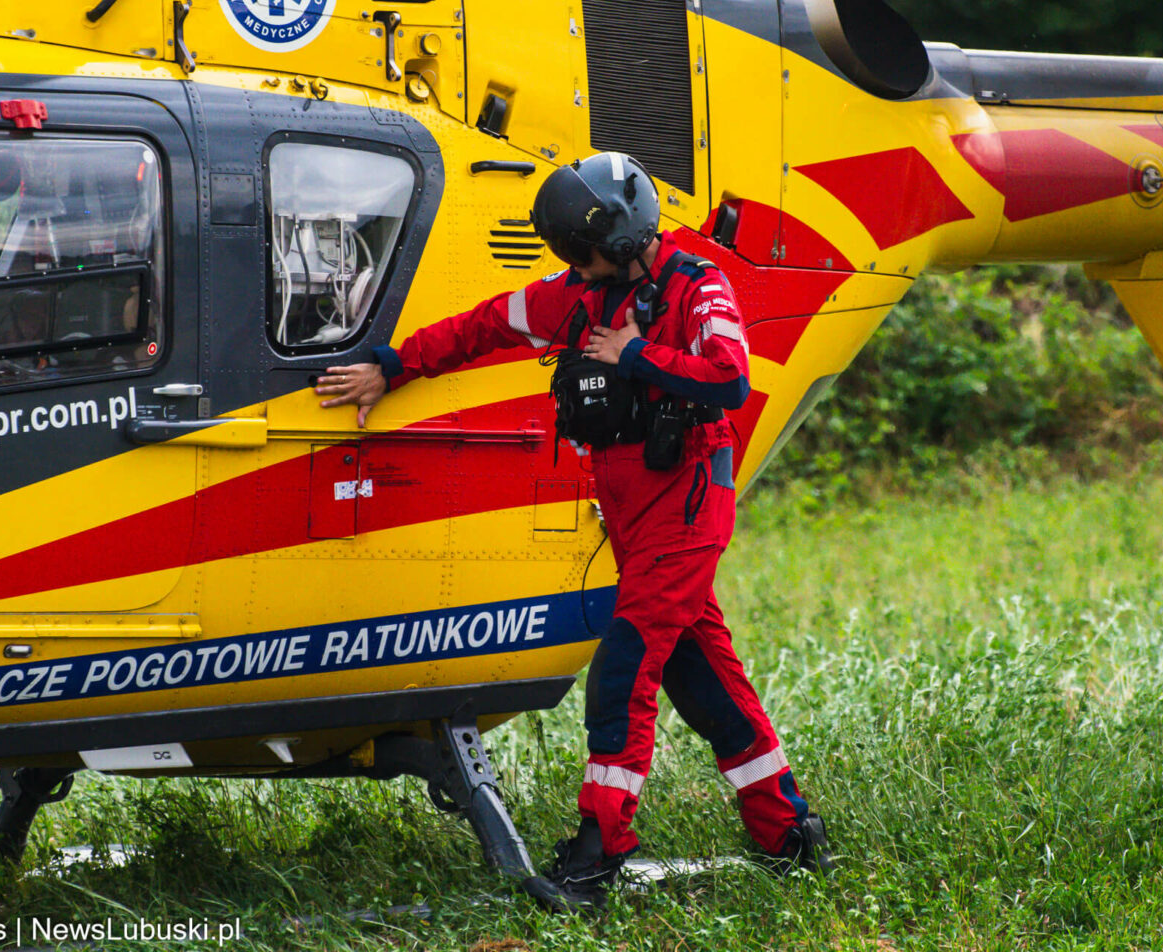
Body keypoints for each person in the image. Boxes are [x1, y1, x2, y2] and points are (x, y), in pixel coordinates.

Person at [315, 152, 832, 909]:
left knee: (623, 669)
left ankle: (600, 851)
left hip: (686, 501)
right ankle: (786, 829)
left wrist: (636, 354)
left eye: (583, 257)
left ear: (623, 244)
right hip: (626, 506)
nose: (576, 272)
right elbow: (484, 326)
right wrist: (390, 367)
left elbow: (728, 380)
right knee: (698, 672)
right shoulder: (575, 295)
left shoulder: (698, 286)